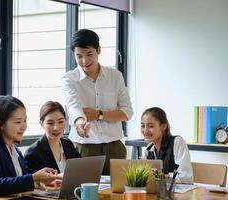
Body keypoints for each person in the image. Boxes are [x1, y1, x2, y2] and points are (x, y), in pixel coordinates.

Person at [62, 29, 133, 175]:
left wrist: (99, 115)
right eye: (79, 56)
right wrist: (80, 122)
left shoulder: (115, 76)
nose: (84, 61)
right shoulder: (69, 79)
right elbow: (72, 105)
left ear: (99, 50)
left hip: (115, 147)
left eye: (89, 54)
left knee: (118, 193)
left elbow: (127, 112)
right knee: (84, 194)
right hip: (84, 147)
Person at [0, 96, 61, 199]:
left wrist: (41, 182)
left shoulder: (15, 151)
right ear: (1, 124)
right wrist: (33, 177)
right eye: (18, 122)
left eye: (25, 121)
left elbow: (17, 184)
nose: (24, 126)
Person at [24, 101, 81, 174]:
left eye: (60, 122)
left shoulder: (68, 144)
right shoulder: (33, 153)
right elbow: (32, 183)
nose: (56, 128)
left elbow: (80, 169)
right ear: (42, 124)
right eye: (50, 123)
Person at [141, 107, 194, 183]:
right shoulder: (148, 149)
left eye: (151, 126)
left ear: (163, 126)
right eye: (143, 126)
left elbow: (186, 177)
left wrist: (161, 177)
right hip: (159, 193)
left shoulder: (177, 142)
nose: (145, 131)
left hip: (179, 193)